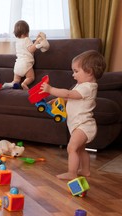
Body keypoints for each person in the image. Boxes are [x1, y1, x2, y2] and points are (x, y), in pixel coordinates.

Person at [41, 50, 106, 180]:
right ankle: (86, 171)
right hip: (79, 125)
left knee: (72, 148)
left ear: (89, 71)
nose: (73, 74)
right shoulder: (81, 85)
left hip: (83, 126)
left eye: (76, 71)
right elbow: (72, 98)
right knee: (81, 150)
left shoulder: (88, 87)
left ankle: (72, 172)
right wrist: (59, 100)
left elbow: (69, 94)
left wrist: (51, 90)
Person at [2, 20, 49, 90]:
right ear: (26, 32)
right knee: (31, 77)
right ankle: (24, 83)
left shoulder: (17, 41)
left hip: (17, 65)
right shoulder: (27, 39)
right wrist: (37, 42)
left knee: (16, 80)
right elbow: (31, 49)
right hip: (25, 64)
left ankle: (12, 83)